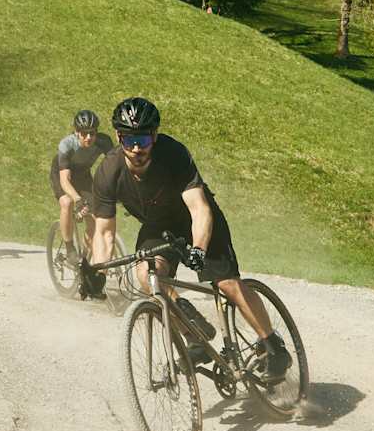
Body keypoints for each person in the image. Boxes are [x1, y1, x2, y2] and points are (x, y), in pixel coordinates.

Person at [83, 97, 291, 377]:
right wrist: (97, 269)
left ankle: (273, 346)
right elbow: (105, 234)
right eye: (130, 139)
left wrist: (199, 250)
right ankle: (196, 334)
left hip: (195, 219)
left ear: (154, 137)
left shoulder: (173, 154)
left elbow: (199, 208)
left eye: (143, 140)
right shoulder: (108, 173)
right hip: (159, 225)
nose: (136, 148)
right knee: (148, 275)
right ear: (119, 137)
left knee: (227, 283)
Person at [49, 109, 114, 264]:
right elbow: (65, 180)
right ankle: (70, 248)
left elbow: (115, 167)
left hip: (83, 176)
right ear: (76, 132)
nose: (89, 137)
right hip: (61, 174)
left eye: (92, 133)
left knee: (95, 217)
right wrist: (78, 199)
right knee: (67, 202)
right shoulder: (67, 145)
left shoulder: (104, 142)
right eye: (84, 133)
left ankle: (84, 259)